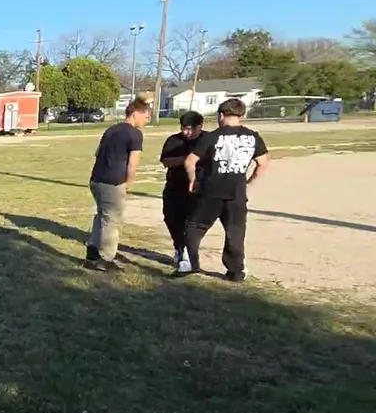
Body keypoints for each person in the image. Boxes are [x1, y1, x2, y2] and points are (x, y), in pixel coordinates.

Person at [179, 97, 271, 281]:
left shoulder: (212, 137)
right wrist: (248, 182)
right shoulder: (253, 137)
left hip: (211, 191)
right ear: (241, 115)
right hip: (236, 192)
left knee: (195, 226)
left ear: (221, 115)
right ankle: (237, 270)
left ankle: (190, 263)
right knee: (235, 231)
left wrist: (193, 180)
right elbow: (263, 163)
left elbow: (190, 161)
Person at [84, 97, 151, 272]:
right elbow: (133, 163)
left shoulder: (111, 130)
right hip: (113, 182)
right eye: (146, 116)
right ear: (135, 114)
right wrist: (128, 183)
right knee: (112, 220)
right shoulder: (135, 134)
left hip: (96, 179)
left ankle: (92, 251)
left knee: (101, 215)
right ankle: (105, 258)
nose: (147, 120)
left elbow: (97, 153)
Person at [158, 110, 206, 272]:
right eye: (183, 128)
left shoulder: (207, 140)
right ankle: (179, 247)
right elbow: (166, 161)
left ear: (200, 126)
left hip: (199, 188)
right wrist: (189, 160)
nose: (186, 132)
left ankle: (188, 253)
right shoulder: (174, 140)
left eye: (190, 129)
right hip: (175, 186)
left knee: (192, 223)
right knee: (171, 218)